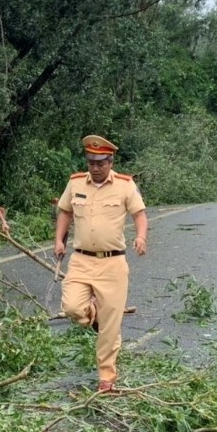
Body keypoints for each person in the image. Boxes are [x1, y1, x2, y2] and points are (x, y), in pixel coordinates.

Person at [53, 135, 148, 392]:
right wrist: (59, 239)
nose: (95, 168)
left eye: (100, 163)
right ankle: (90, 314)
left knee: (110, 325)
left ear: (110, 161)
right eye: (91, 162)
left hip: (112, 263)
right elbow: (65, 211)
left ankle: (107, 377)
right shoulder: (75, 183)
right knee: (72, 307)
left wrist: (140, 237)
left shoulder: (125, 185)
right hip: (81, 260)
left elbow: (139, 214)